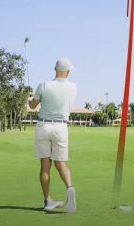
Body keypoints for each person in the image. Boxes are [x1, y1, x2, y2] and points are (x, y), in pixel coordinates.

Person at [28, 57, 77, 212]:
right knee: (60, 163)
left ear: (55, 69)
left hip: (44, 126)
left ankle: (48, 200)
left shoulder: (43, 85)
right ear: (68, 71)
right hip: (61, 128)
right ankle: (69, 187)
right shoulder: (73, 87)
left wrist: (30, 99)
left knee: (45, 167)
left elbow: (32, 106)